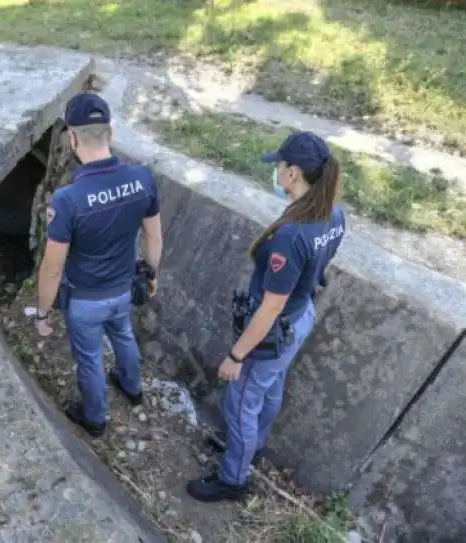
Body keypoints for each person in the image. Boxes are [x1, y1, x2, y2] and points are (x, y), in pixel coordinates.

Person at [186, 130, 346, 502]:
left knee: (240, 401)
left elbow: (270, 306)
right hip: (300, 316)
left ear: (293, 173)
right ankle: (250, 447)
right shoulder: (334, 215)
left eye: (279, 165)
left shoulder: (291, 237)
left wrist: (236, 355)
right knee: (269, 388)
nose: (274, 171)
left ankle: (232, 479)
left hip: (272, 328)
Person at [34, 91, 164, 438]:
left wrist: (44, 314)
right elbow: (154, 238)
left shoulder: (67, 200)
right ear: (111, 133)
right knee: (124, 334)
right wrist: (150, 275)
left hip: (85, 301)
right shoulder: (142, 179)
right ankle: (132, 388)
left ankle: (95, 418)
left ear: (72, 138)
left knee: (90, 359)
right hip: (123, 288)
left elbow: (52, 268)